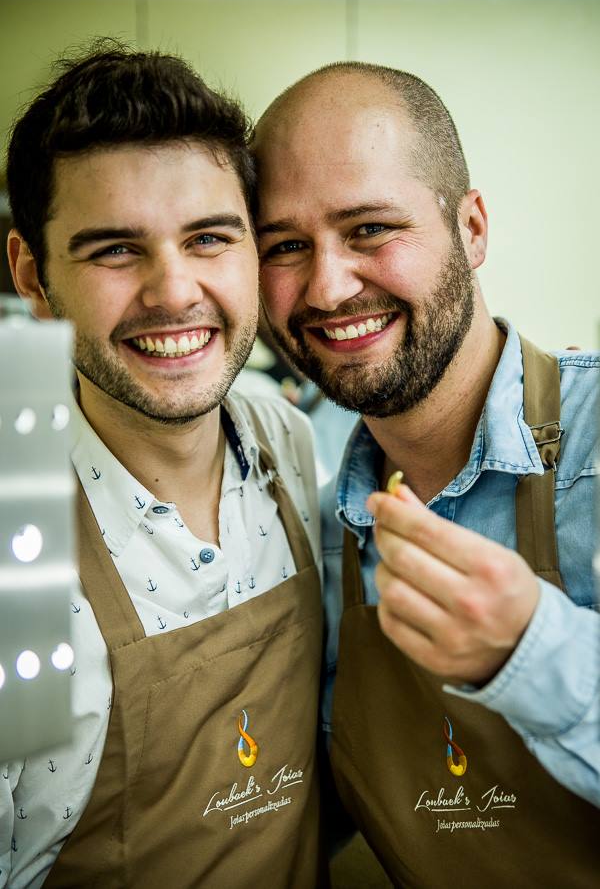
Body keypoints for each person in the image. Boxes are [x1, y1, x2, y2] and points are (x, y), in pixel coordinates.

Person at [253, 62, 600, 888]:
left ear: (472, 229)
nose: (329, 287)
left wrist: (530, 650)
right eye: (286, 246)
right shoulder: (305, 505)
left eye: (371, 228)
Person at [1, 45, 326, 888]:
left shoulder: (283, 441)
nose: (174, 291)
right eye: (114, 249)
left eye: (209, 238)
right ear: (31, 274)